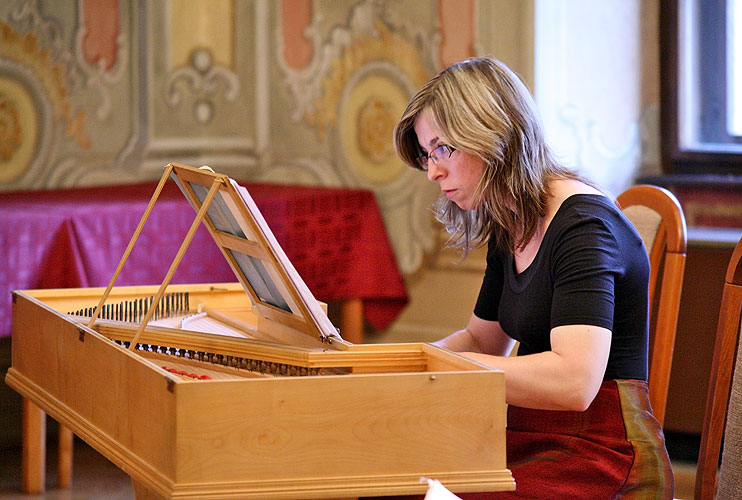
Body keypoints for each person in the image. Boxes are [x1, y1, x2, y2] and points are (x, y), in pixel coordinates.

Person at [391, 57, 674, 499]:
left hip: (602, 455)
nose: (433, 171)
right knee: (384, 477)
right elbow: (482, 342)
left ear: (492, 133)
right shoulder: (512, 218)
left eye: (443, 149)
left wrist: (441, 368)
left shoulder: (584, 226)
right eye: (428, 155)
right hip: (530, 441)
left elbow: (574, 381)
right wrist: (395, 365)